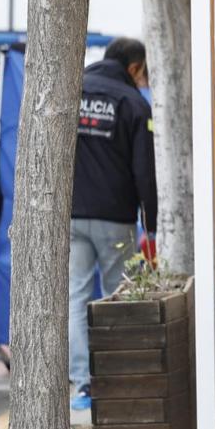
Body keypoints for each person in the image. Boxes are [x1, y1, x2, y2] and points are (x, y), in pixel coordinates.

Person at [69, 38, 157, 410]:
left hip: (71, 214)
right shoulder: (133, 103)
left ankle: (84, 384)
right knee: (120, 296)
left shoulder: (74, 88)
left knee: (76, 296)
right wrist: (149, 222)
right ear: (135, 67)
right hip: (114, 217)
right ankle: (120, 375)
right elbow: (144, 170)